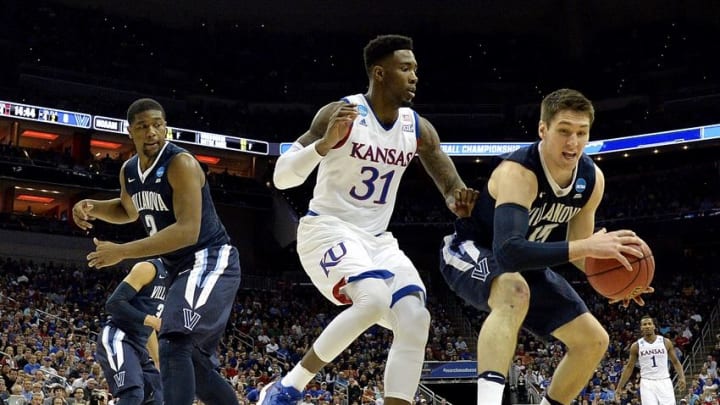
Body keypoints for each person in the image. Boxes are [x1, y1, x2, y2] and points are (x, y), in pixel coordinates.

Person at [265, 34, 465, 405]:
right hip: (326, 228)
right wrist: (323, 145)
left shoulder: (416, 127)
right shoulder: (340, 113)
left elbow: (447, 177)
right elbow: (282, 177)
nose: (414, 76)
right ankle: (287, 387)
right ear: (379, 73)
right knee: (372, 299)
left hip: (377, 240)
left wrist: (457, 198)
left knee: (415, 318)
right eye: (405, 69)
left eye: (415, 69)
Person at [439, 88, 654, 405]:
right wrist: (587, 246)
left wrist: (617, 280)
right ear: (543, 130)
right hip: (471, 248)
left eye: (582, 133)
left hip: (528, 262)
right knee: (514, 290)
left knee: (593, 341)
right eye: (564, 131)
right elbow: (508, 252)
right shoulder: (519, 172)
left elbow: (582, 254)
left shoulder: (591, 180)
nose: (573, 142)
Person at [72, 98, 242, 405]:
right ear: (130, 132)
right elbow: (128, 210)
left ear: (166, 127)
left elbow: (187, 230)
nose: (152, 132)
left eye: (158, 124)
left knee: (174, 340)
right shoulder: (129, 171)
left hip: (210, 257)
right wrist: (93, 207)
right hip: (179, 268)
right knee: (190, 357)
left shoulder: (181, 163)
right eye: (143, 126)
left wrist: (122, 251)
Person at [95, 260, 165, 405]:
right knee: (132, 394)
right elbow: (113, 303)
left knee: (157, 396)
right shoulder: (149, 268)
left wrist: (157, 360)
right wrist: (149, 320)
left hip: (139, 345)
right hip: (118, 336)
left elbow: (149, 327)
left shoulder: (176, 283)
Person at [616, 315, 686, 405]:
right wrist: (619, 387)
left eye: (649, 324)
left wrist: (682, 377)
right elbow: (629, 367)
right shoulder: (636, 346)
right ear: (641, 328)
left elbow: (675, 362)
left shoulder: (665, 342)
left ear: (654, 326)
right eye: (644, 324)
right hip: (647, 382)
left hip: (664, 380)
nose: (647, 326)